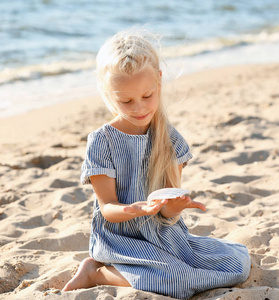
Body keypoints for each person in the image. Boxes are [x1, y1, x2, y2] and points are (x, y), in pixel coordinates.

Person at [62, 29, 250, 299]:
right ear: (108, 93)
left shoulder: (170, 139)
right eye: (126, 101)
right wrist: (133, 209)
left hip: (163, 235)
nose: (139, 108)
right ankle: (95, 272)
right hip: (122, 238)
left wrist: (173, 209)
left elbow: (169, 210)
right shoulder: (102, 141)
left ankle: (140, 270)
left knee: (237, 266)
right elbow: (107, 210)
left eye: (147, 96)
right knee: (176, 283)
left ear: (159, 81)